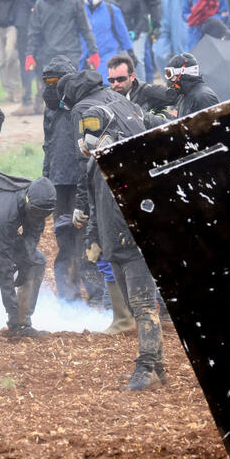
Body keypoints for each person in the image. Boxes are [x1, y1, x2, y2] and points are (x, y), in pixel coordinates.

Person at [62, 74, 162, 390]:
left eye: (93, 130)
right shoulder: (95, 164)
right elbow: (94, 204)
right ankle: (157, 370)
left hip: (132, 245)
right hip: (113, 244)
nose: (87, 138)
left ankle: (146, 368)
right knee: (135, 307)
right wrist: (94, 239)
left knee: (144, 306)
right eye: (85, 131)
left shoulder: (132, 163)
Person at [40, 56, 105, 310]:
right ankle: (69, 298)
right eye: (47, 82)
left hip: (82, 182)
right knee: (65, 238)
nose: (50, 88)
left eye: (55, 82)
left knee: (87, 238)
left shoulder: (81, 107)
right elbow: (48, 146)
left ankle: (97, 296)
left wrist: (86, 187)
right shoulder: (51, 110)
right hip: (59, 183)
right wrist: (46, 180)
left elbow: (87, 153)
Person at [0, 170, 56, 337]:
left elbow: (30, 244)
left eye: (45, 214)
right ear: (27, 201)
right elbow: (4, 263)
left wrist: (25, 264)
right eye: (36, 212)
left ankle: (22, 325)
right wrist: (11, 308)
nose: (39, 217)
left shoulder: (39, 206)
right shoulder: (8, 213)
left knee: (37, 261)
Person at [25, 0, 99, 108]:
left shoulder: (74, 1)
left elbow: (85, 28)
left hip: (71, 52)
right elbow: (34, 32)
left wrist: (93, 51)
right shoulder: (40, 5)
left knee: (72, 87)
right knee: (51, 91)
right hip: (48, 54)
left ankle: (73, 112)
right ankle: (52, 114)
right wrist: (30, 54)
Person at [0, 0, 46, 113]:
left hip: (23, 23)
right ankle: (40, 101)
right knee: (40, 61)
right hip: (40, 24)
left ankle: (27, 102)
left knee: (25, 61)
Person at [80, 0, 132, 83]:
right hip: (84, 57)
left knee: (104, 83)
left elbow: (122, 33)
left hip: (106, 55)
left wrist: (130, 51)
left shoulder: (111, 10)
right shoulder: (79, 10)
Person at [164, 52, 219, 117]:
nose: (169, 81)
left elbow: (215, 121)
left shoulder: (204, 97)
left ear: (183, 74)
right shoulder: (184, 96)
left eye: (170, 75)